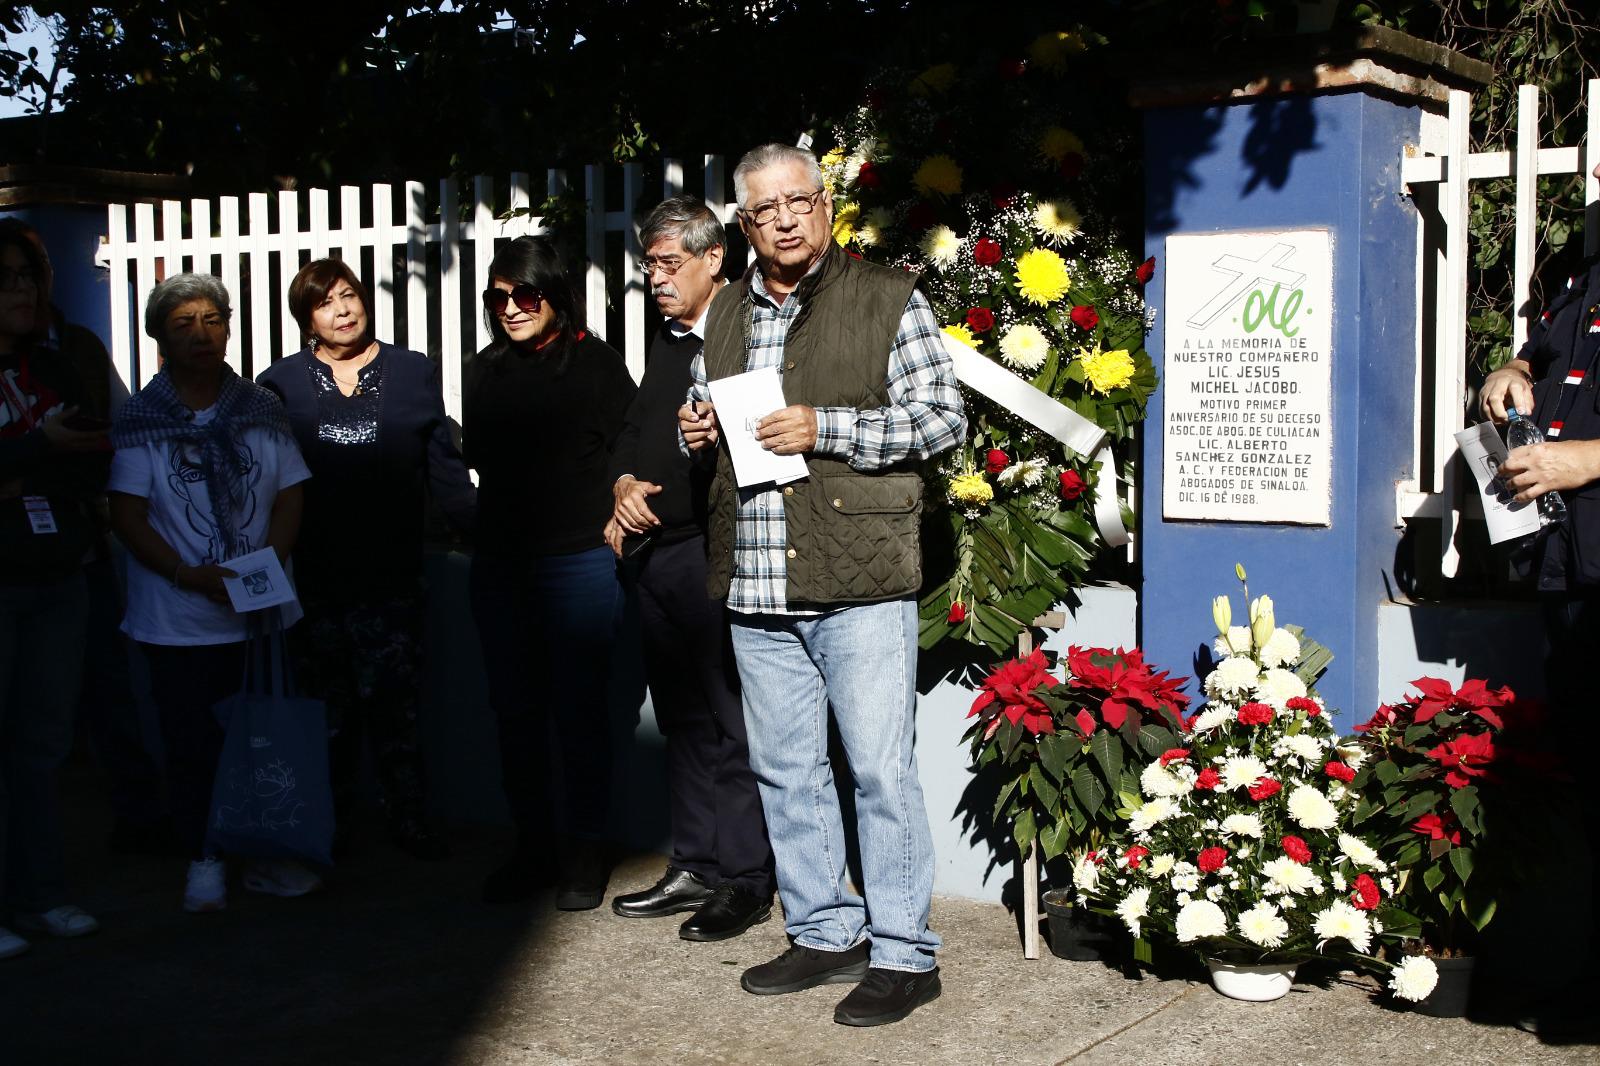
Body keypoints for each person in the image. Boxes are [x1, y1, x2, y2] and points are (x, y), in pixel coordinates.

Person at [677, 144, 965, 1026]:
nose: (786, 220)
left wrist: (826, 426)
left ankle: (906, 954)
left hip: (857, 578)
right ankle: (823, 929)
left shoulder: (887, 297)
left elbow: (942, 419)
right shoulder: (724, 311)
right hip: (757, 582)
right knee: (786, 771)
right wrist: (695, 428)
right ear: (744, 224)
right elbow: (705, 401)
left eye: (799, 201)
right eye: (764, 211)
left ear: (825, 204)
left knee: (878, 772)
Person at [107, 273, 315, 914]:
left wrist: (261, 566)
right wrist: (189, 576)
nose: (201, 334)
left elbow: (288, 493)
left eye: (212, 319)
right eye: (183, 324)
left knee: (264, 740)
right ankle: (204, 858)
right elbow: (128, 515)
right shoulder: (143, 420)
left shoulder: (261, 407)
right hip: (177, 619)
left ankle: (266, 852)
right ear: (159, 339)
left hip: (261, 611)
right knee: (192, 745)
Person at [258, 258, 475, 861]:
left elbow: (444, 470)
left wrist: (485, 530)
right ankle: (328, 827)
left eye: (350, 295)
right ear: (308, 319)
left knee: (397, 711)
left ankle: (409, 822)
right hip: (315, 582)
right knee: (326, 716)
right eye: (326, 303)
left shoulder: (411, 372)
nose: (344, 310)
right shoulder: (279, 384)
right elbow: (262, 484)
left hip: (392, 579)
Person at [605, 198, 775, 941]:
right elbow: (631, 431)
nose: (655, 278)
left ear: (716, 259)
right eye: (649, 266)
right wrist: (619, 488)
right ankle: (696, 860)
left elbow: (764, 446)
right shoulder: (667, 340)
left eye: (669, 264)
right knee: (680, 719)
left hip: (718, 549)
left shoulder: (747, 332)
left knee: (729, 717)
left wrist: (704, 453)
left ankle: (743, 878)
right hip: (654, 556)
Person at [464, 235, 636, 910]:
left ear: (554, 295)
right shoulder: (483, 373)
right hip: (502, 566)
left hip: (579, 565)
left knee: (580, 713)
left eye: (525, 294)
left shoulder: (596, 365)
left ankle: (586, 851)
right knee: (514, 713)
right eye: (499, 297)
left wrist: (619, 517)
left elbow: (628, 451)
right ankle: (532, 849)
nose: (511, 308)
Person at [1480, 156, 1600, 1042]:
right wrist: (1512, 366)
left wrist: (1584, 460)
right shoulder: (1582, 256)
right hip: (1572, 567)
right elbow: (1557, 347)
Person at [0, 219, 111, 959]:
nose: (20, 289)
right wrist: (37, 448)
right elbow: (56, 451)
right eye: (4, 278)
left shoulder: (58, 364)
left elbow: (94, 457)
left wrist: (20, 471)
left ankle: (40, 896)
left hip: (57, 578)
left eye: (27, 277)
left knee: (41, 748)